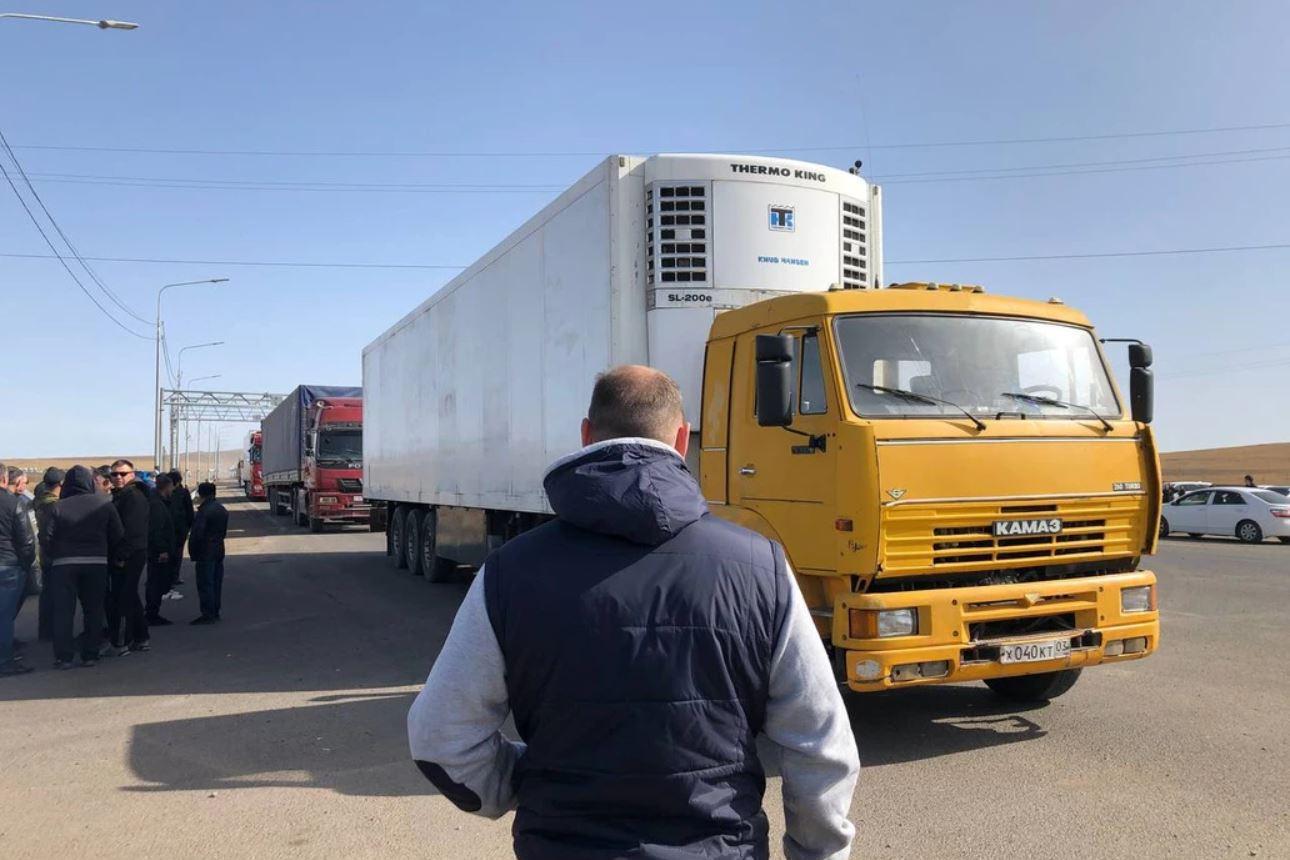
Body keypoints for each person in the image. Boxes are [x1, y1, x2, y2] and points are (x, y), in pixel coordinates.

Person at [407, 366, 859, 860]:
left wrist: (520, 783)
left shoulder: (509, 572)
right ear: (682, 439)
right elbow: (821, 745)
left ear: (586, 434)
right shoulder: (760, 567)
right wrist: (817, 852)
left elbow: (440, 736)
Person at [47, 465, 123, 668]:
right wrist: (110, 553)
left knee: (63, 611)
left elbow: (46, 537)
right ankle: (90, 654)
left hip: (64, 565)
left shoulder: (58, 506)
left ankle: (64, 657)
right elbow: (118, 533)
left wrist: (55, 554)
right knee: (94, 610)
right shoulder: (104, 504)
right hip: (96, 563)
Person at [108, 459, 151, 654]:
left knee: (123, 598)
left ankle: (122, 643)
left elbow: (133, 530)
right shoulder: (121, 495)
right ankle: (141, 637)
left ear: (132, 475)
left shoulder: (133, 496)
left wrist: (122, 555)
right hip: (129, 552)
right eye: (114, 474)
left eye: (123, 474)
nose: (118, 477)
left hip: (130, 554)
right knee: (130, 595)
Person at [0, 462, 37, 676]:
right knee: (4, 616)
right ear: (5, 479)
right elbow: (26, 540)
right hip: (8, 566)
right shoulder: (13, 503)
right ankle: (4, 661)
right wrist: (26, 563)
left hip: (9, 563)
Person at [188, 482, 228, 624]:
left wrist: (193, 551)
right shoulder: (221, 509)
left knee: (205, 583)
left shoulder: (204, 511)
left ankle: (207, 613)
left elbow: (197, 533)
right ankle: (215, 611)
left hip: (205, 550)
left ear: (200, 494)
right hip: (218, 548)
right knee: (216, 582)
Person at [32, 467, 64, 641]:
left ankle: (45, 631)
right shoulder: (54, 505)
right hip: (55, 554)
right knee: (56, 596)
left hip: (45, 554)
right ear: (60, 483)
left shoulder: (40, 501)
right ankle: (53, 633)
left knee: (47, 595)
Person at [144, 475, 178, 625]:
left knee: (158, 582)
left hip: (158, 549)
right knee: (156, 582)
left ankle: (152, 612)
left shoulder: (159, 502)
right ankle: (152, 613)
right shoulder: (157, 505)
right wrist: (162, 550)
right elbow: (156, 530)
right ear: (167, 487)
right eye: (171, 487)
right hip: (158, 552)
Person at [167, 470, 194, 591]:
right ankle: (174, 577)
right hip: (180, 529)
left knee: (166, 552)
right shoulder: (183, 492)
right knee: (177, 553)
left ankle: (166, 577)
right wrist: (190, 526)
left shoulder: (162, 492)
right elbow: (189, 511)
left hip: (166, 529)